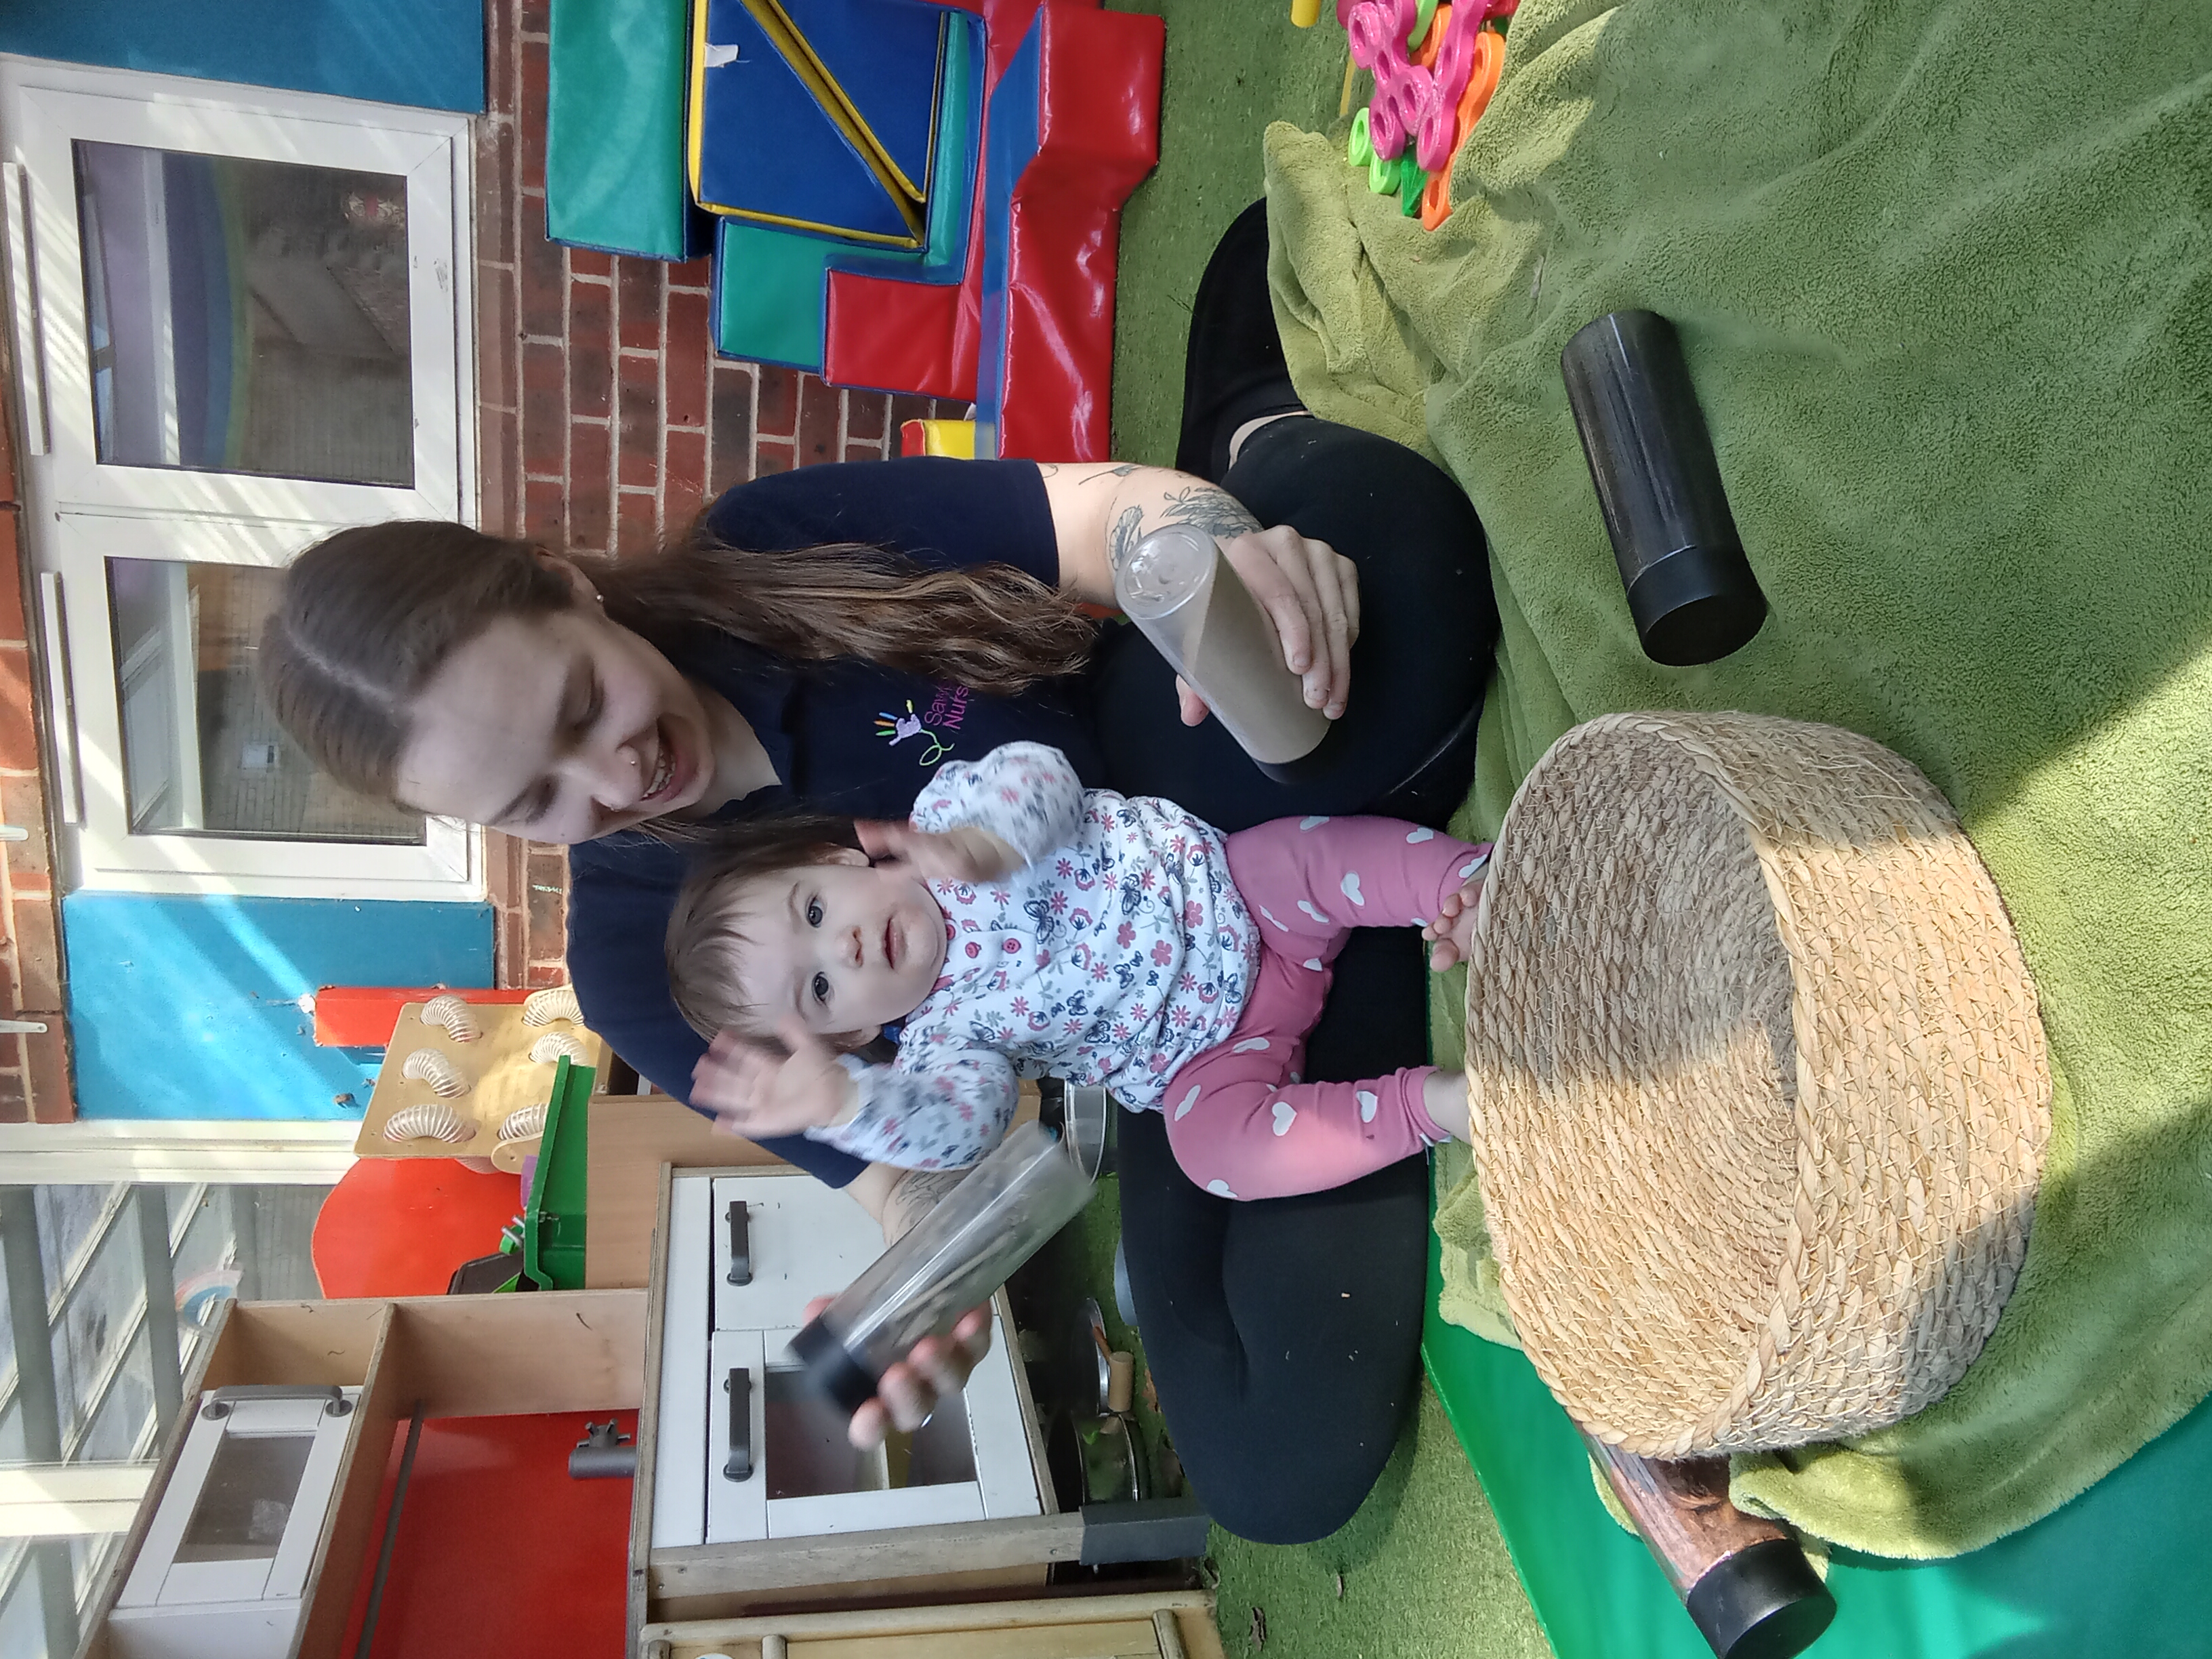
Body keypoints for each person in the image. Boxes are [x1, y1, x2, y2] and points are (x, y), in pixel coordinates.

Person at [260, 203, 1499, 1543]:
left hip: (1161, 788)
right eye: (539, 799)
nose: (614, 782)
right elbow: (912, 1164)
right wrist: (935, 1278)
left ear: (572, 589)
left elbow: (1101, 522)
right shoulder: (637, 969)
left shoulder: (768, 545)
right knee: (1276, 1466)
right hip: (1147, 1033)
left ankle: (1253, 424)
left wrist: (1222, 553)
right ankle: (1357, 983)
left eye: (577, 710)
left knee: (1370, 620)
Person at [664, 741, 1492, 1191]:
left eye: (813, 911)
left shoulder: (946, 819)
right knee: (1208, 1155)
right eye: (819, 989)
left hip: (1238, 893)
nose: (840, 946)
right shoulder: (943, 1044)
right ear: (851, 1030)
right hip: (1211, 1059)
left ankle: (1468, 889)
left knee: (1303, 854)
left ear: (833, 858)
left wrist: (987, 842)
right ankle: (1432, 1108)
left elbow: (1047, 775)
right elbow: (971, 1123)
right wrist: (849, 1105)